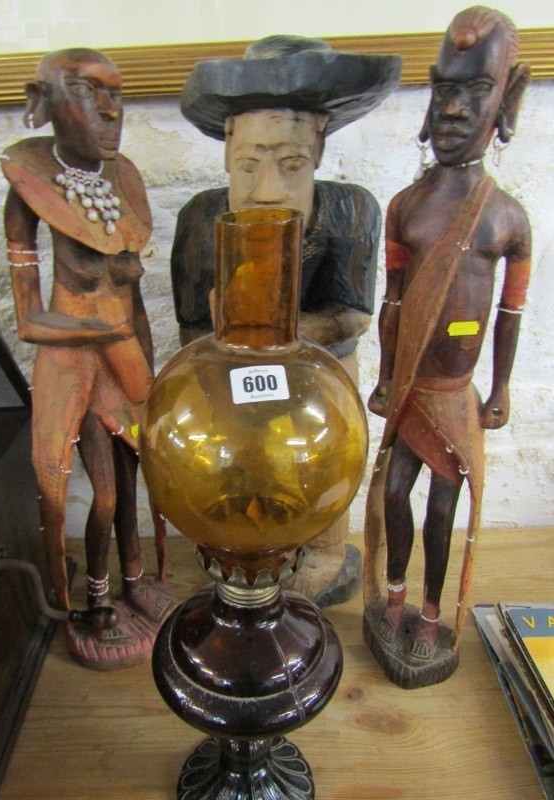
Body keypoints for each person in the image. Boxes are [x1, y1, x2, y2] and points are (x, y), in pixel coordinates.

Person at [171, 35, 401, 605]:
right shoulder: (202, 217)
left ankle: (323, 549)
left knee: (326, 449)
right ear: (228, 145)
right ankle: (238, 541)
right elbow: (191, 329)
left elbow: (351, 317)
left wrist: (277, 337)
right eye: (249, 165)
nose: (267, 190)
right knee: (233, 457)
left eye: (291, 164)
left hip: (322, 369)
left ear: (317, 144)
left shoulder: (349, 209)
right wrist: (233, 345)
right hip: (227, 371)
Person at [364, 6, 531, 685]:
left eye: (475, 91)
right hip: (411, 390)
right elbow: (393, 303)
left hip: (455, 396)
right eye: (443, 91)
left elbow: (510, 312)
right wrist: (384, 377)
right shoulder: (405, 207)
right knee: (394, 492)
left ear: (507, 101)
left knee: (442, 508)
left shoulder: (507, 218)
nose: (454, 110)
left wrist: (502, 387)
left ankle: (431, 615)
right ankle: (394, 598)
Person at [0, 48, 174, 669]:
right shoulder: (29, 192)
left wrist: (144, 367)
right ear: (43, 101)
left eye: (116, 94)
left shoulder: (122, 181)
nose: (109, 110)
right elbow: (29, 320)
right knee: (102, 496)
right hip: (78, 363)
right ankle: (97, 602)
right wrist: (99, 332)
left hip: (126, 360)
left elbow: (133, 297)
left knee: (136, 478)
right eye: (87, 91)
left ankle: (134, 580)